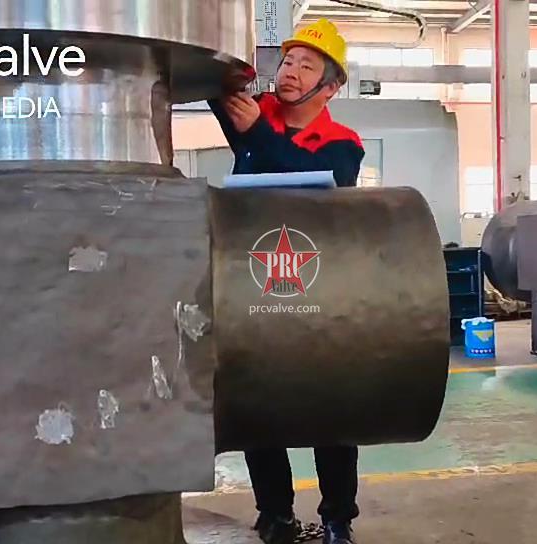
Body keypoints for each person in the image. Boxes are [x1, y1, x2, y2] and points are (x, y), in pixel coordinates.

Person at [208, 18, 364, 544]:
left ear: (331, 86)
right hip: (252, 280)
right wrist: (222, 72)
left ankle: (338, 518)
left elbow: (318, 186)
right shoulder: (256, 113)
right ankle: (275, 513)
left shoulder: (343, 143)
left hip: (315, 284)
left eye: (307, 66)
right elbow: (215, 89)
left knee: (330, 407)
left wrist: (257, 133)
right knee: (259, 401)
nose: (291, 72)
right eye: (288, 61)